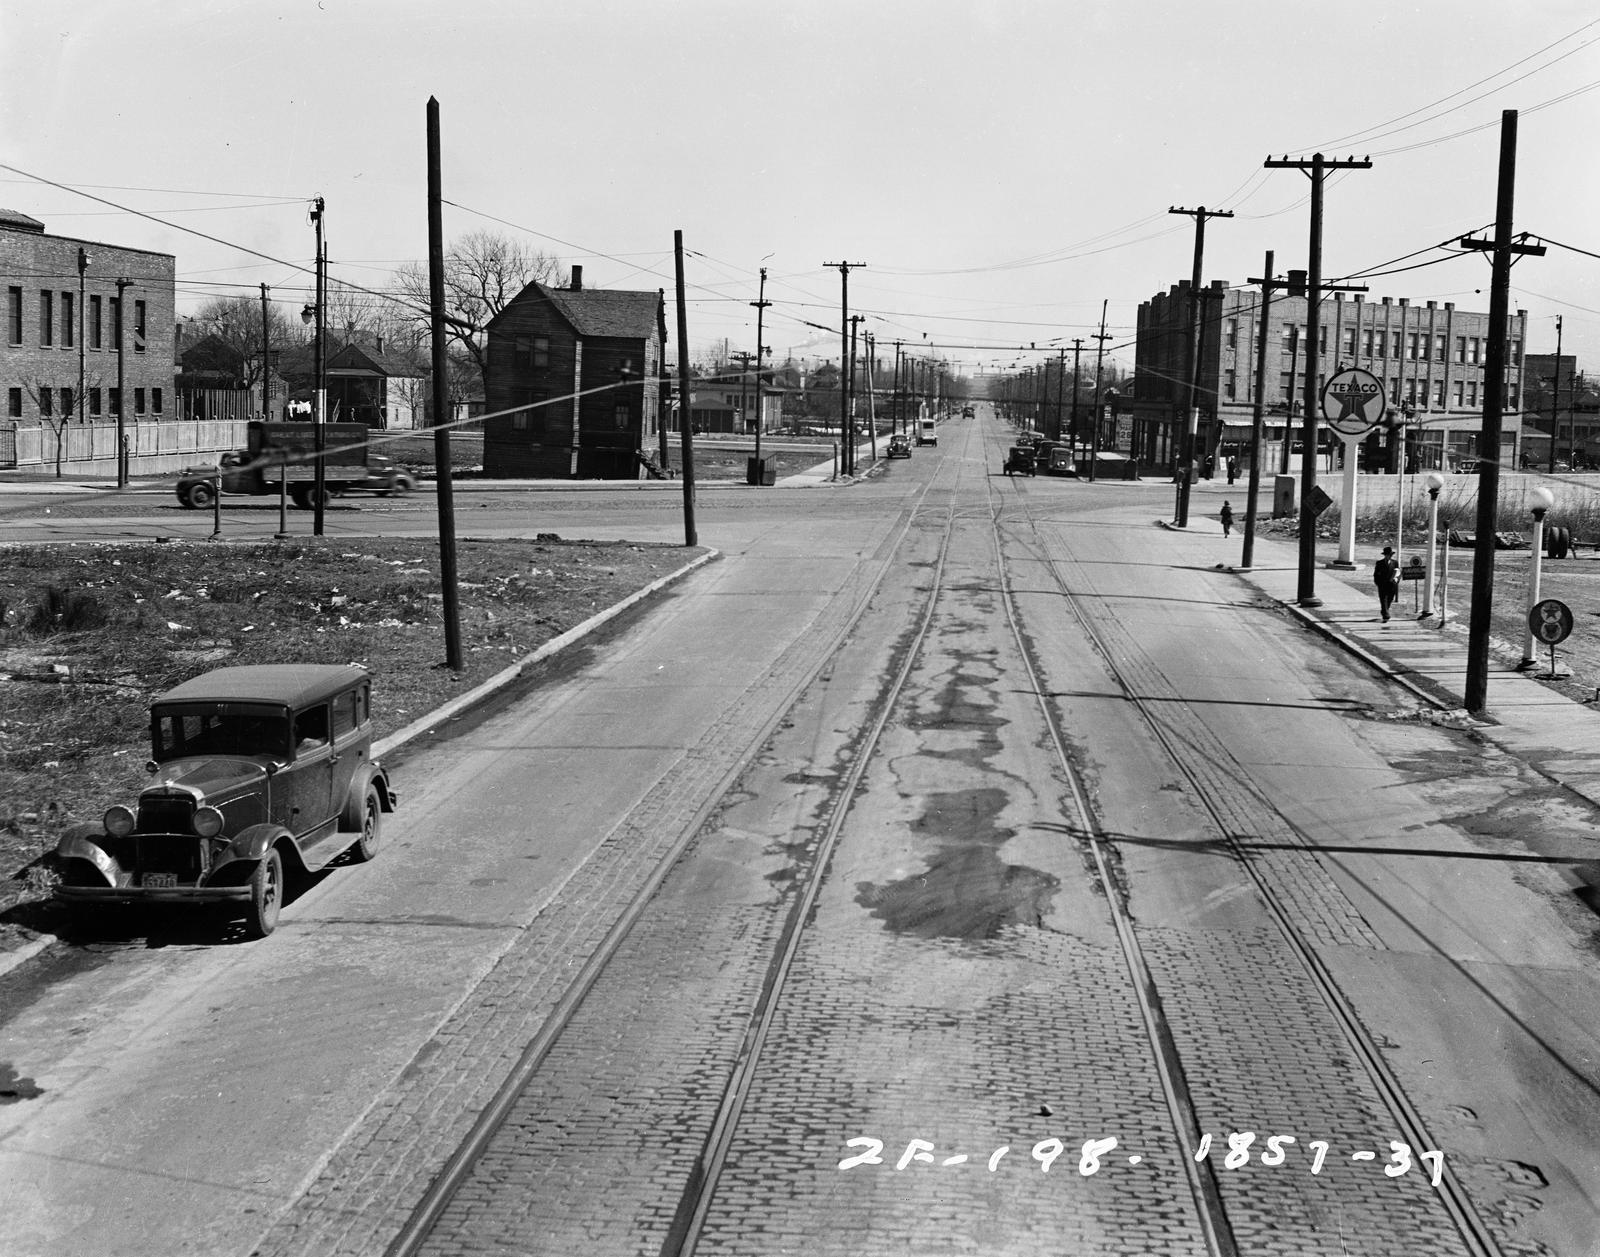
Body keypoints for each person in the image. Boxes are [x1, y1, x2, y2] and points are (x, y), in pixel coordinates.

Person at [1373, 545, 1400, 622]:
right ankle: (1386, 614)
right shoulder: (1379, 563)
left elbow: (1398, 573)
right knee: (1383, 599)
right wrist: (1377, 582)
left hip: (1392, 585)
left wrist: (1396, 581)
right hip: (1382, 584)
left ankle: (1384, 610)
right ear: (1385, 555)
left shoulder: (1395, 563)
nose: (1389, 556)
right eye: (1388, 555)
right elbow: (1376, 574)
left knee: (1390, 599)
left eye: (1390, 555)